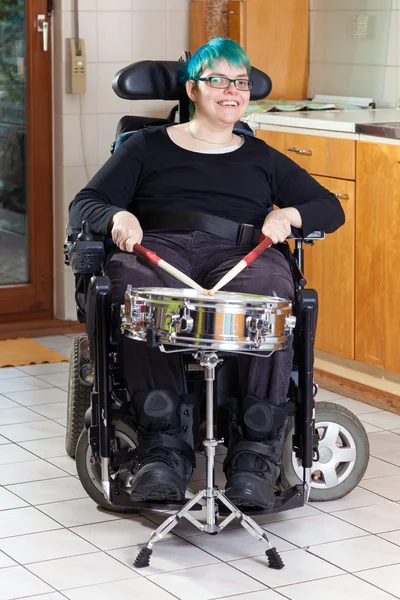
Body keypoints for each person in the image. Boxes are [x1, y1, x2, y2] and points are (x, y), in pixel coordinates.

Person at [69, 38, 345, 511]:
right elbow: (86, 203)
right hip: (160, 246)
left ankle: (253, 457)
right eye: (218, 80)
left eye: (240, 82)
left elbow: (329, 207)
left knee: (270, 293)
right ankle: (163, 450)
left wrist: (290, 216)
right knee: (139, 292)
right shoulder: (144, 148)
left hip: (240, 251)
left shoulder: (261, 156)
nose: (232, 91)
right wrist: (118, 218)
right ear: (193, 89)